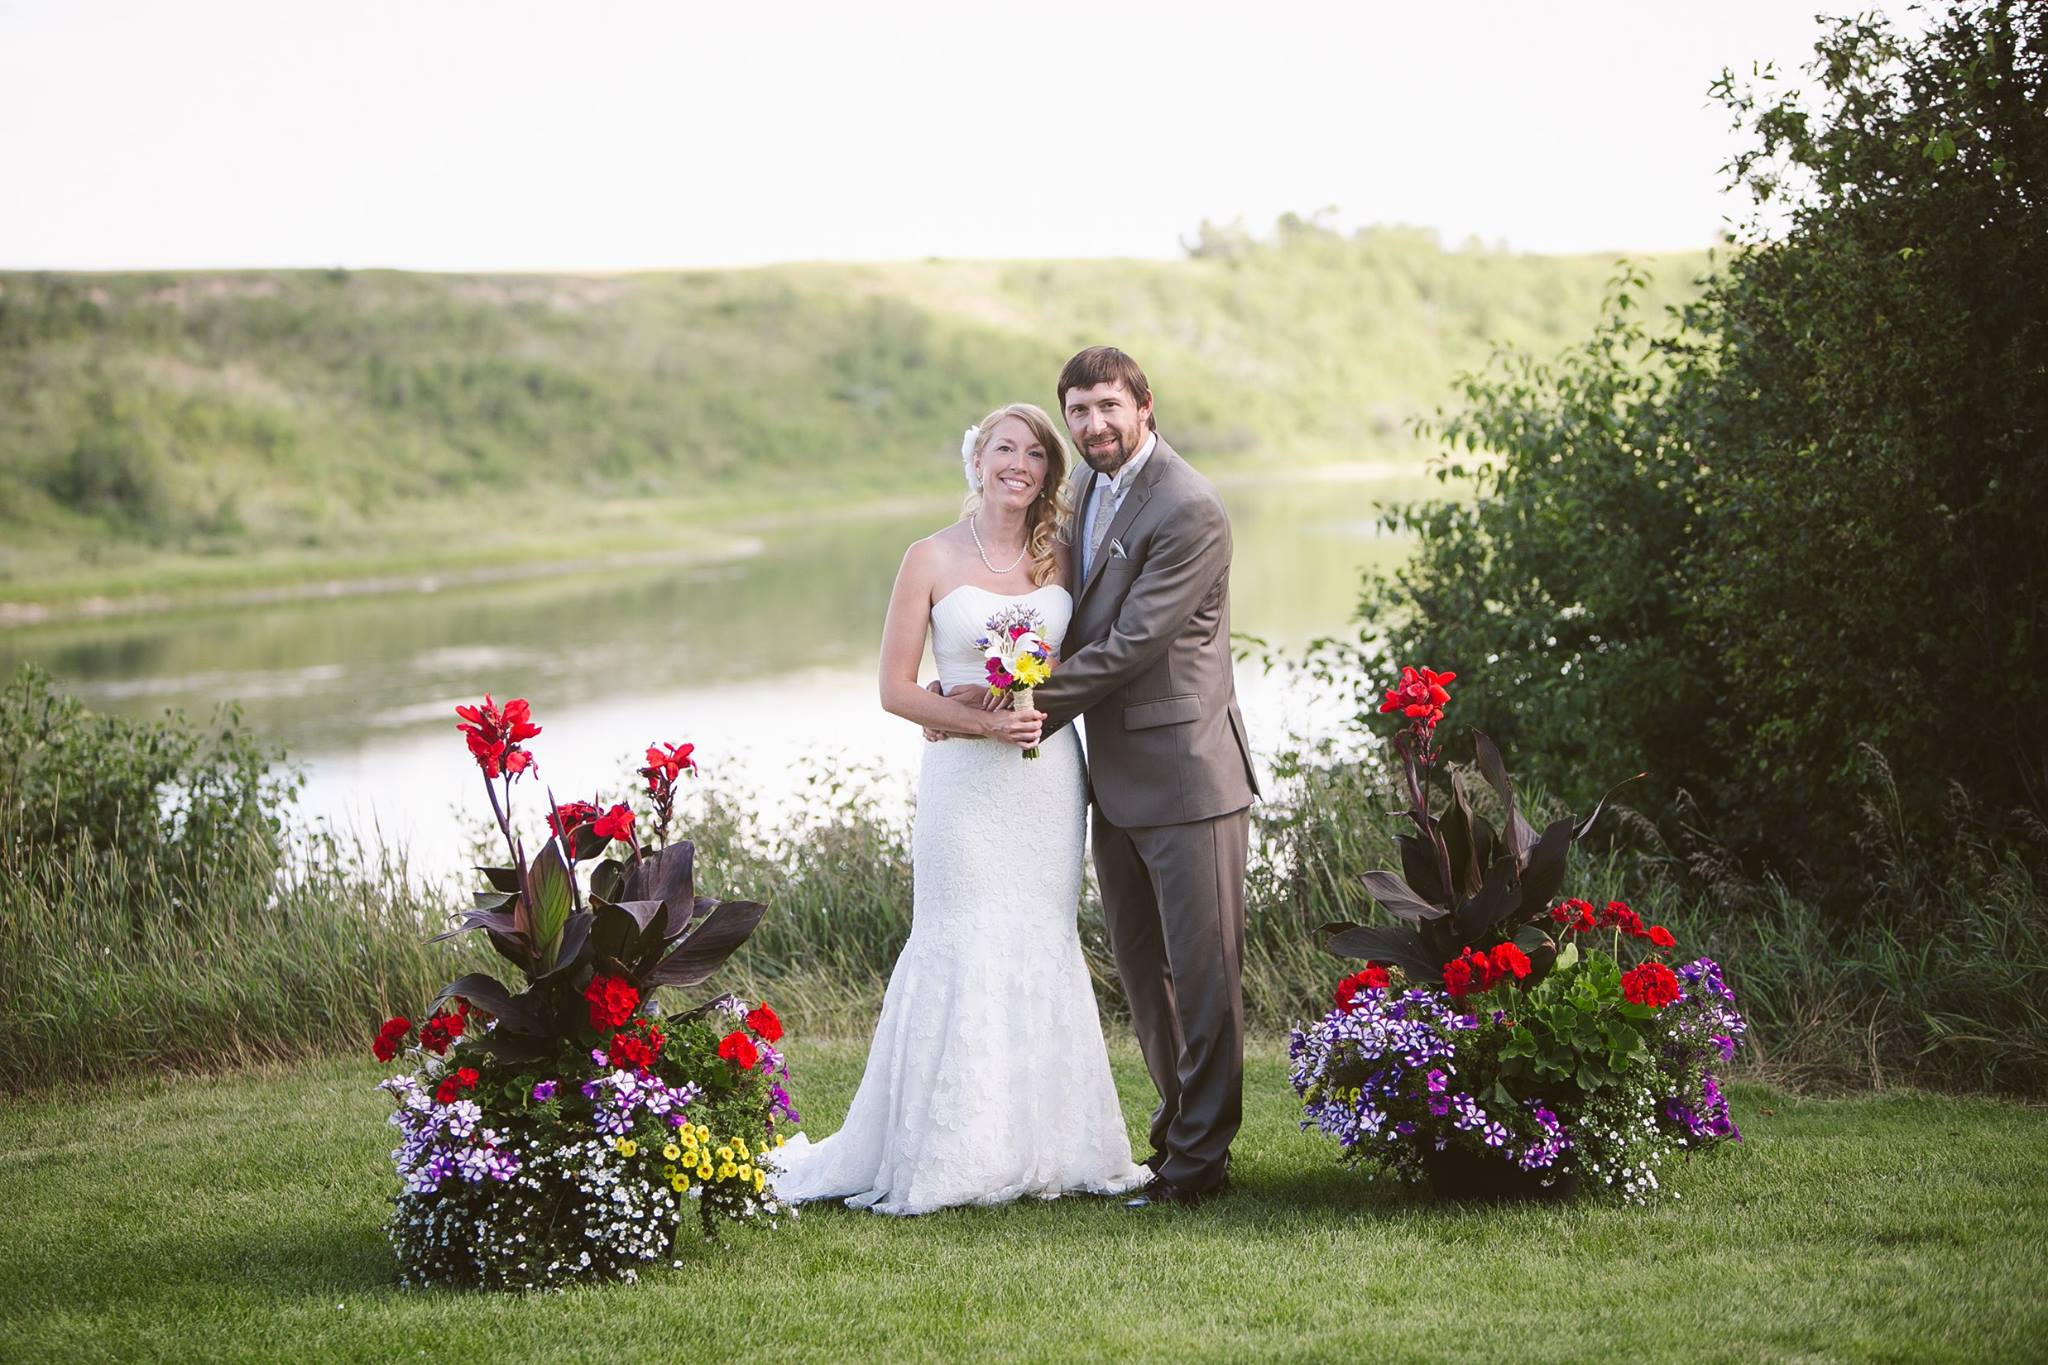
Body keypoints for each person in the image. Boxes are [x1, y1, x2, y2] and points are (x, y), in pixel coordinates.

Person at [768, 401, 1151, 1215]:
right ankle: (953, 1148)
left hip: (1046, 779)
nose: (1020, 463)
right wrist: (973, 715)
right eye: (1003, 449)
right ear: (977, 462)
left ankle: (1050, 1143)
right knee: (961, 934)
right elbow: (895, 689)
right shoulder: (929, 557)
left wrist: (1018, 702)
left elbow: (1086, 660)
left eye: (1036, 454)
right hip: (965, 790)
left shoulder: (1062, 560)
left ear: (1049, 473)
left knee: (1042, 937)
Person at [984, 346, 1259, 1208]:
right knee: (1146, 971)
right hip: (1117, 778)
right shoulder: (1090, 495)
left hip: (1188, 775)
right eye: (1078, 411)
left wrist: (1014, 702)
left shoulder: (1189, 505)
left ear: (1145, 404)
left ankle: (1199, 1167)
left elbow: (1134, 641)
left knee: (1204, 971)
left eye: (1108, 406)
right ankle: (1178, 1134)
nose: (1094, 425)